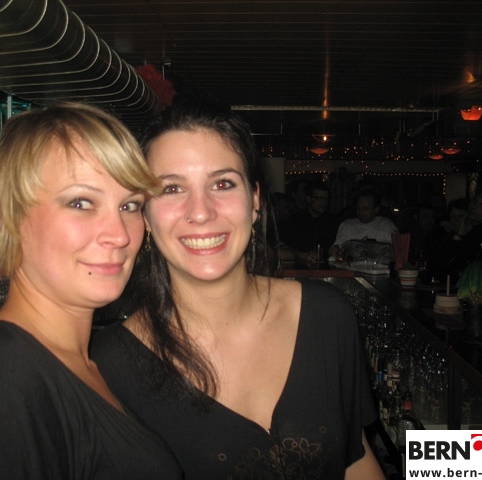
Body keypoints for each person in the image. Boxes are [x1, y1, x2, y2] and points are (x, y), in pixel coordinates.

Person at [90, 100, 384, 480]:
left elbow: (355, 458)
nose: (201, 212)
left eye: (222, 184)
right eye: (172, 188)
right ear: (145, 214)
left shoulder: (327, 315)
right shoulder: (110, 365)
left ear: (255, 200)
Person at [0, 103, 182, 480]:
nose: (120, 234)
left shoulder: (80, 362)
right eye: (81, 203)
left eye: (129, 205)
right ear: (7, 214)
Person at [280, 180, 339, 267]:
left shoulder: (333, 221)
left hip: (327, 269)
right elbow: (286, 248)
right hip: (300, 270)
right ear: (308, 199)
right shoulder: (295, 221)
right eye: (320, 198)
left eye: (326, 199)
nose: (324, 202)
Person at [328, 188, 398, 258]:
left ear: (376, 209)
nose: (361, 212)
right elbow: (336, 249)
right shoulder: (347, 226)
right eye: (359, 208)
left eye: (365, 209)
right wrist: (335, 250)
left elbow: (397, 251)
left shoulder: (387, 225)